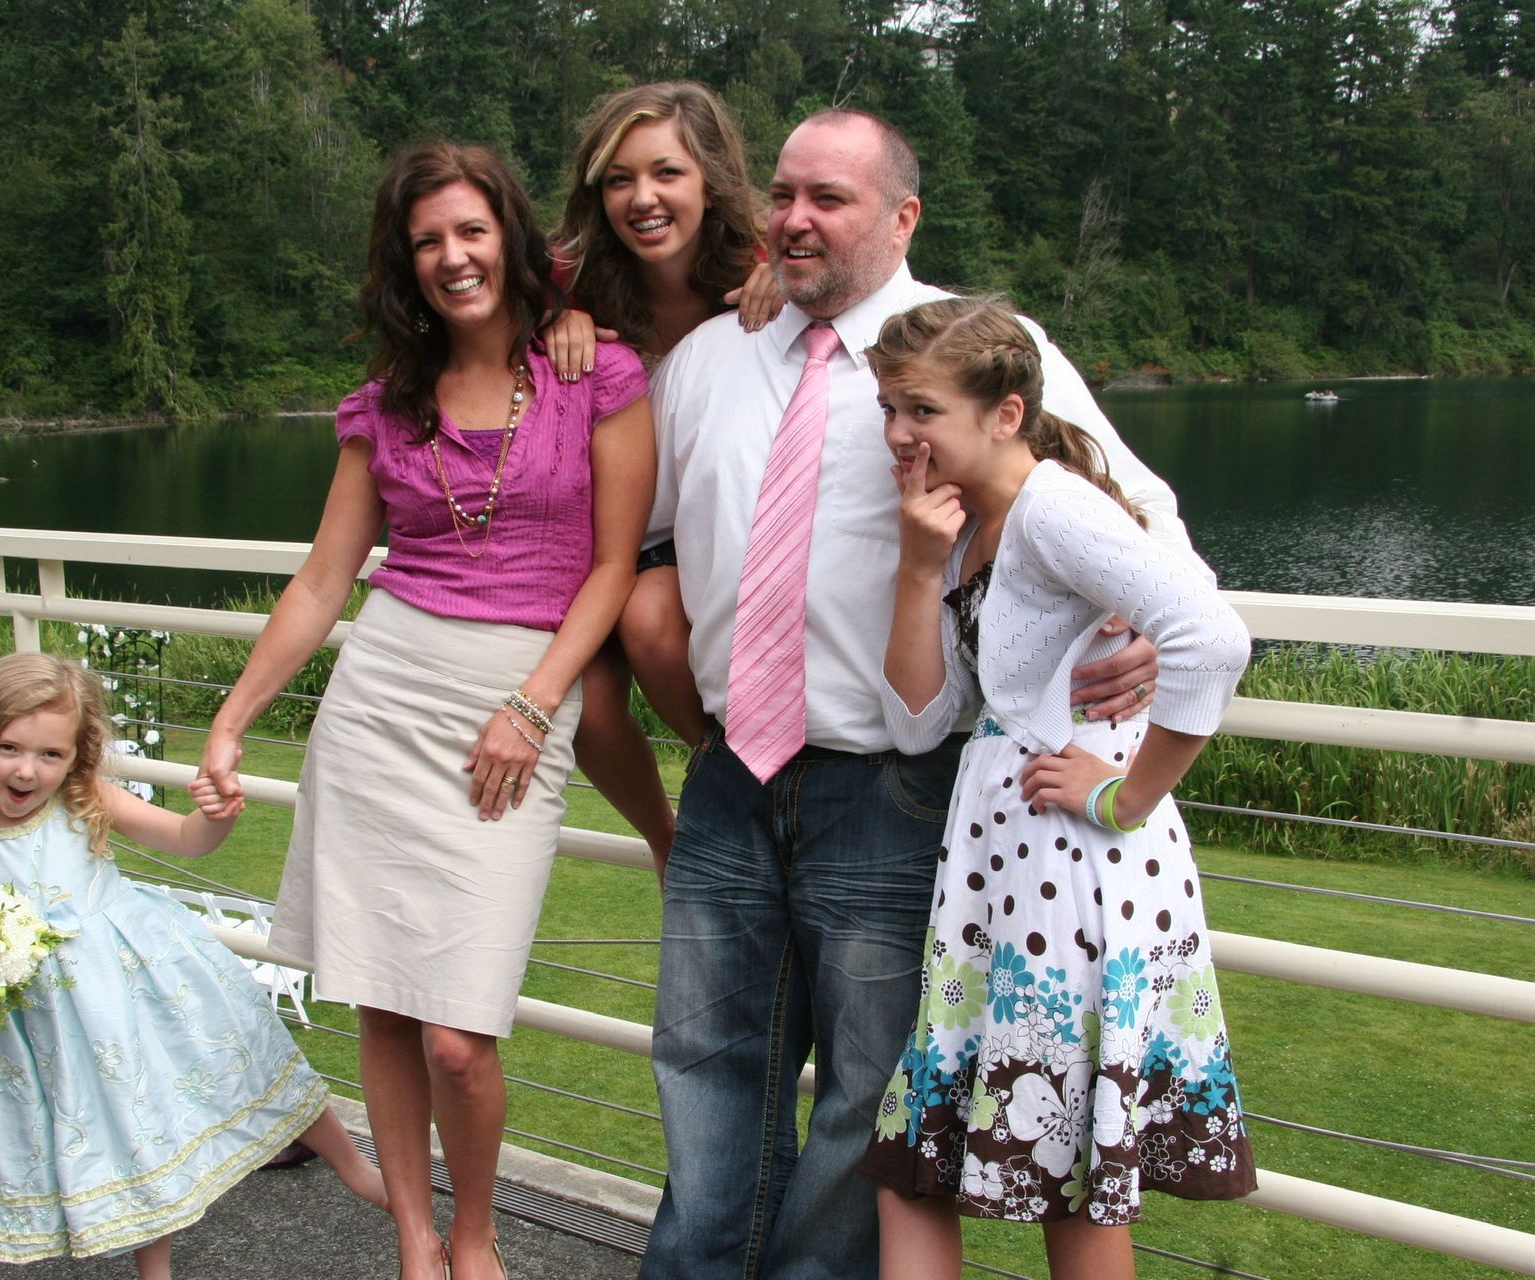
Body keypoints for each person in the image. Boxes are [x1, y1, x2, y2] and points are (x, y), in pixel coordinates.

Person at [640, 110, 1204, 1279]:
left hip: (893, 787)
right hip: (729, 779)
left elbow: (1141, 513)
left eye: (830, 198)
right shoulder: (704, 362)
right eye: (783, 195)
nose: (796, 218)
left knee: (869, 1096)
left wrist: (1149, 630)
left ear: (902, 218)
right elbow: (643, 543)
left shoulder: (977, 351)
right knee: (703, 1068)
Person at [198, 140, 653, 1280]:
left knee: (457, 1033)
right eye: (427, 241)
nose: (454, 257)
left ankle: (476, 1233)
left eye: (471, 231)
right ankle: (414, 1238)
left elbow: (612, 568)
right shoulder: (384, 404)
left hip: (519, 705)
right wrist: (234, 717)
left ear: (509, 236)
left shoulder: (596, 375)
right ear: (405, 264)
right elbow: (323, 581)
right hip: (381, 700)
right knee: (382, 999)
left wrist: (534, 705)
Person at [861, 298, 1255, 1280]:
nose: (900, 433)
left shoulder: (1052, 508)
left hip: (1073, 868)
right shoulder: (968, 524)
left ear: (1006, 413)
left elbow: (1213, 638)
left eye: (922, 410)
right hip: (1005, 868)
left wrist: (1128, 794)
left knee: (1066, 1170)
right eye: (889, 409)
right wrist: (919, 567)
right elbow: (917, 721)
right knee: (917, 1157)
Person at [0, 652, 390, 1278]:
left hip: (139, 980)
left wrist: (214, 818)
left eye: (50, 754)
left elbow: (186, 840)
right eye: (8, 748)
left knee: (249, 1058)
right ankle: (154, 1268)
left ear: (76, 756)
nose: (27, 770)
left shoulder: (83, 800)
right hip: (45, 1021)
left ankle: (354, 1167)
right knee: (127, 1125)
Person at [543, 80, 783, 875]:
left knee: (652, 620)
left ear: (710, 178)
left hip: (719, 528)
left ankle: (745, 793)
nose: (642, 198)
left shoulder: (769, 265)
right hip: (602, 534)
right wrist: (552, 319)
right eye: (619, 179)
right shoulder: (569, 280)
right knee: (588, 711)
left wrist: (789, 280)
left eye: (666, 172)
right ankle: (670, 842)